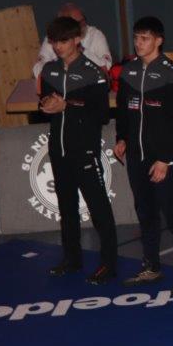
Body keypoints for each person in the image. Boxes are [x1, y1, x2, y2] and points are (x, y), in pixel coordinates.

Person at [114, 17, 173, 295]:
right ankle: (151, 266)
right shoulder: (129, 71)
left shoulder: (172, 74)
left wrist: (165, 159)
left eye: (145, 38)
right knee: (145, 212)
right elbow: (122, 111)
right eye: (136, 38)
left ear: (159, 40)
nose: (139, 43)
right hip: (136, 156)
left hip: (163, 158)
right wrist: (122, 138)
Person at [38, 16, 118, 284]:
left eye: (63, 41)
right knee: (67, 207)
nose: (58, 47)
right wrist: (46, 105)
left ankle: (109, 264)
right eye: (54, 42)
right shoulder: (49, 71)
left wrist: (67, 106)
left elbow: (102, 115)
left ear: (76, 40)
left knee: (98, 207)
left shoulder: (93, 74)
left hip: (84, 150)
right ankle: (72, 259)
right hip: (58, 149)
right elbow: (44, 101)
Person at [32, 3, 113, 79]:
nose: (82, 25)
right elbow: (37, 70)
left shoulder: (95, 35)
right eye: (77, 23)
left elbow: (106, 66)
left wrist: (82, 50)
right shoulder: (53, 37)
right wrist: (57, 69)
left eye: (83, 20)